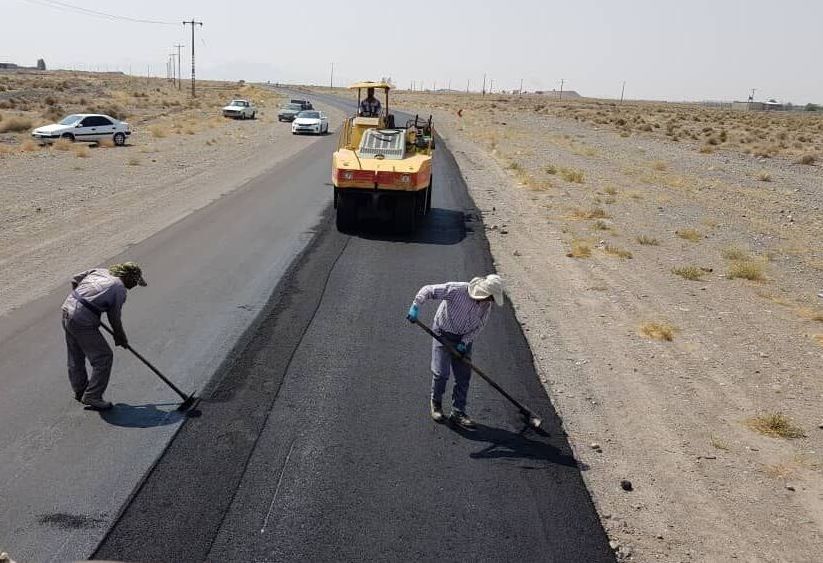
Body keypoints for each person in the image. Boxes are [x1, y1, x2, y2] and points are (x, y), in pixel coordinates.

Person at [406, 274, 505, 428]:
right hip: (442, 334)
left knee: (463, 376)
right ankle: (436, 403)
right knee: (441, 373)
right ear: (485, 293)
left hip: (463, 340)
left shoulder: (487, 306)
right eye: (491, 297)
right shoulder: (457, 290)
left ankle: (458, 412)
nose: (491, 301)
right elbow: (428, 289)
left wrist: (464, 343)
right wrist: (416, 305)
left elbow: (479, 326)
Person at [61, 262, 147, 410]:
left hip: (67, 311)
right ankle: (93, 396)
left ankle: (80, 390)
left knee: (76, 355)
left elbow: (75, 280)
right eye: (134, 281)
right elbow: (114, 318)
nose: (134, 285)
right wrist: (121, 338)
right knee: (103, 357)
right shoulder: (119, 288)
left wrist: (83, 301)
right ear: (126, 276)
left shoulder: (99, 271)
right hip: (83, 321)